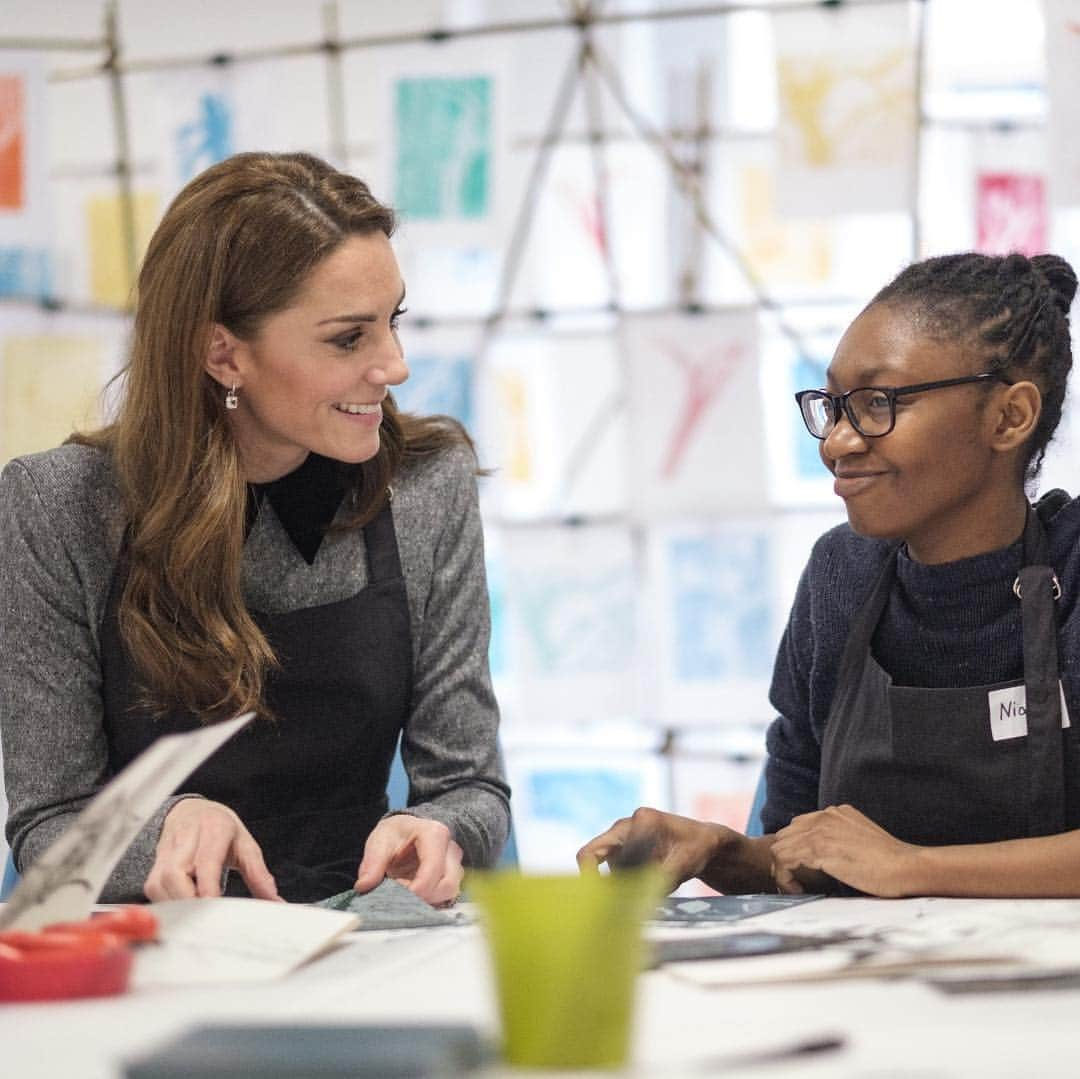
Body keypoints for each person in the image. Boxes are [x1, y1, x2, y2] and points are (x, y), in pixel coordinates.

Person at [0, 151, 510, 907]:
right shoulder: (56, 506)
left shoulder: (427, 487)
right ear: (224, 354)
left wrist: (440, 827)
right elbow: (47, 825)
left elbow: (471, 785)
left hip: (364, 942)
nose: (395, 366)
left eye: (392, 322)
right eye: (349, 338)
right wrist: (166, 827)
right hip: (153, 960)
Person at [579, 251, 1080, 898]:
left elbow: (883, 865)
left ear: (1009, 417)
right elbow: (804, 852)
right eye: (835, 406)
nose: (835, 442)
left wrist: (913, 867)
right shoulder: (838, 577)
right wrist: (721, 850)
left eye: (878, 403)